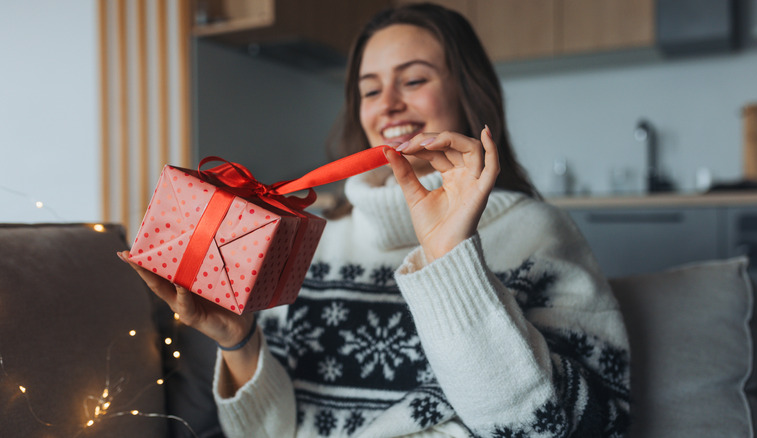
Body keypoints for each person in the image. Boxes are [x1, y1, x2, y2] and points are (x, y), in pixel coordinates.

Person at [120, 3, 630, 437]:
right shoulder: (308, 244)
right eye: (369, 90)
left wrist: (450, 260)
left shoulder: (540, 233)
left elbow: (565, 426)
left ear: (467, 92)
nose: (388, 105)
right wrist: (239, 340)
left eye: (413, 79)